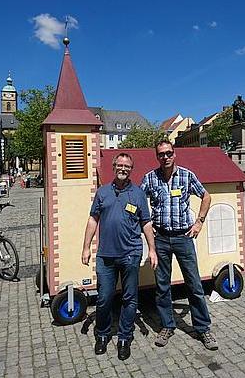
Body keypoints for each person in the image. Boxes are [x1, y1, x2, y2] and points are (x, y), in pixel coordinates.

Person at [140, 139, 218, 350]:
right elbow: (139, 201)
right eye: (161, 154)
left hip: (184, 238)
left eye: (168, 153)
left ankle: (203, 329)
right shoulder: (150, 178)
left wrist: (199, 222)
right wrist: (146, 225)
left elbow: (206, 196)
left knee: (193, 284)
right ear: (157, 157)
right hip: (161, 239)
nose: (165, 157)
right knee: (162, 286)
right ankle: (167, 325)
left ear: (174, 154)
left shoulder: (187, 175)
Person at [82, 152, 158, 361]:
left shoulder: (138, 194)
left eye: (127, 166)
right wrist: (86, 247)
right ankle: (103, 334)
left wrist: (151, 249)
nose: (123, 169)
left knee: (130, 298)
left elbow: (146, 223)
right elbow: (92, 220)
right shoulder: (102, 193)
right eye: (120, 165)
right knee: (104, 298)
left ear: (131, 169)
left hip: (131, 254)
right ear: (114, 167)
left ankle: (125, 337)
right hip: (106, 256)